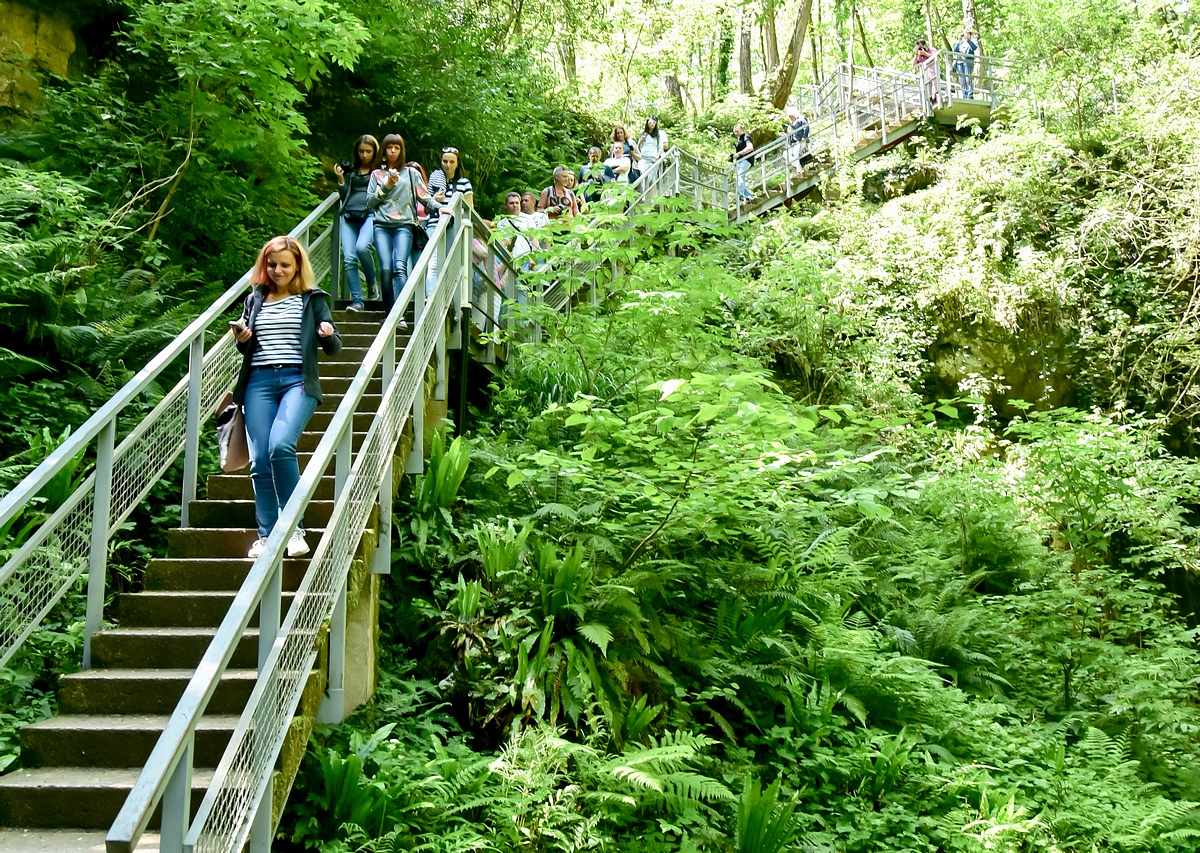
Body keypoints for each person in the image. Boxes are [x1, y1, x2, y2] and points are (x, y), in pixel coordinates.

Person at [231, 236, 342, 559]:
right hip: (258, 382)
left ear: (297, 267)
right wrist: (242, 338)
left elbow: (335, 348)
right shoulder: (255, 299)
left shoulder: (312, 300)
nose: (277, 270)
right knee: (259, 461)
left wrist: (327, 334)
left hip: (297, 380)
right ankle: (267, 535)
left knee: (280, 446)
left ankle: (293, 529)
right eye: (271, 264)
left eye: (284, 265)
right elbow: (245, 348)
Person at [366, 134, 427, 316]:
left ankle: (399, 314)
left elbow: (425, 197)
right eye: (389, 147)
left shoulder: (412, 174)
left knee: (400, 267)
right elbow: (369, 202)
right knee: (385, 269)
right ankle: (389, 312)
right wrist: (387, 186)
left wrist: (440, 208)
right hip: (381, 226)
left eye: (397, 147)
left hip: (404, 226)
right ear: (384, 150)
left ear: (401, 150)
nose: (393, 151)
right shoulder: (376, 174)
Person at [333, 135, 380, 311]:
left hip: (370, 214)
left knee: (362, 248)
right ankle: (358, 301)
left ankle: (372, 284)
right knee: (349, 258)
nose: (364, 155)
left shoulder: (379, 172)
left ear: (375, 152)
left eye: (368, 151)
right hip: (348, 215)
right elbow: (344, 196)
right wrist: (341, 179)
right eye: (361, 151)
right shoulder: (351, 171)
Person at [425, 147, 474, 295]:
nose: (448, 165)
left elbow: (470, 210)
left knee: (451, 263)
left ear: (457, 163)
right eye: (445, 161)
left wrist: (455, 212)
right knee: (433, 263)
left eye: (452, 162)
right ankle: (430, 297)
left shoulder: (464, 183)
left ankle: (450, 298)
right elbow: (426, 210)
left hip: (454, 226)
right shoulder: (434, 179)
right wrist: (434, 199)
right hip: (434, 225)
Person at [953, 31, 979, 99]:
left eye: (967, 33)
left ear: (969, 34)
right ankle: (965, 95)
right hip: (959, 62)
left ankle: (970, 95)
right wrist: (958, 40)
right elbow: (955, 50)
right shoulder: (961, 43)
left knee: (968, 78)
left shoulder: (972, 41)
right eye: (964, 33)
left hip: (967, 62)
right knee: (962, 80)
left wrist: (968, 40)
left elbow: (974, 47)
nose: (965, 35)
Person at [732, 124, 754, 202]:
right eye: (734, 132)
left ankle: (745, 196)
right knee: (739, 179)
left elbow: (750, 147)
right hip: (741, 161)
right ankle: (744, 196)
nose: (736, 133)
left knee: (740, 177)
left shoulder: (746, 137)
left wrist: (739, 154)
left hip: (746, 159)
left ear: (741, 129)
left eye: (737, 131)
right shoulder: (739, 139)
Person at [913, 39, 938, 105]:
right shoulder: (919, 55)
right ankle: (926, 102)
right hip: (923, 73)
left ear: (925, 45)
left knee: (934, 83)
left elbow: (934, 56)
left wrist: (925, 53)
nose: (921, 49)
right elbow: (914, 65)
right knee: (924, 87)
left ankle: (934, 98)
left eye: (921, 46)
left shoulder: (931, 50)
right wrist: (916, 54)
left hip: (931, 70)